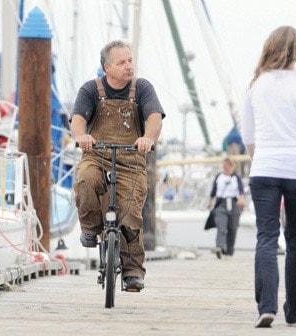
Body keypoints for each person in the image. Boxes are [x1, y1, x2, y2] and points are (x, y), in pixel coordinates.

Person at [241, 26, 296, 328]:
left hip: (264, 168)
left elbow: (248, 134)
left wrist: (260, 161)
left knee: (266, 238)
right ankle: (295, 312)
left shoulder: (256, 85)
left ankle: (266, 307)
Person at [70, 40, 165, 291]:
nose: (129, 66)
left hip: (131, 158)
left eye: (130, 60)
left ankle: (132, 271)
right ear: (106, 67)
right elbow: (78, 119)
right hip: (96, 154)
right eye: (121, 62)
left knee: (130, 212)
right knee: (85, 179)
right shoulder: (91, 89)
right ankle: (90, 228)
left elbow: (154, 116)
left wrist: (148, 138)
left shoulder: (142, 88)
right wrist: (82, 136)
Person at [206, 157, 246, 258]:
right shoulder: (219, 177)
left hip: (234, 204)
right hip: (221, 203)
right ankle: (220, 247)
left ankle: (229, 251)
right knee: (221, 226)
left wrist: (242, 198)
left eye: (227, 165)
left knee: (232, 228)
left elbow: (241, 191)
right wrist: (210, 201)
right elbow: (213, 191)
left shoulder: (236, 178)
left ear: (232, 166)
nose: (225, 167)